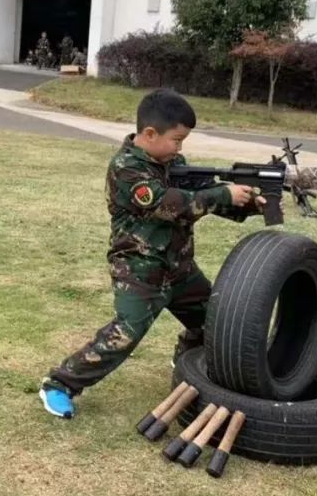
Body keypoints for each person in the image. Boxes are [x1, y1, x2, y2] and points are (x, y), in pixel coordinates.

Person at [38, 88, 265, 418]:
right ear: (149, 133)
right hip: (140, 269)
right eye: (176, 139)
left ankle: (186, 359)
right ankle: (59, 384)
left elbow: (203, 198)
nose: (180, 147)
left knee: (216, 321)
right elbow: (168, 205)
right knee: (125, 334)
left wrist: (246, 204)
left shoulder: (174, 163)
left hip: (179, 267)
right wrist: (222, 195)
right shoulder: (125, 169)